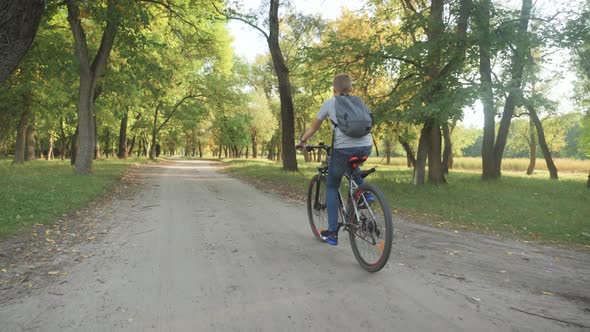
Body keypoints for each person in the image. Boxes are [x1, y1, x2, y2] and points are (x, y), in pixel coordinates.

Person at [296, 73, 372, 246]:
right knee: (350, 165)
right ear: (351, 88)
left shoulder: (330, 103)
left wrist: (302, 141)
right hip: (366, 146)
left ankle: (332, 232)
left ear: (334, 89)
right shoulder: (360, 102)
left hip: (343, 148)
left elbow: (314, 128)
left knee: (331, 185)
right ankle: (366, 193)